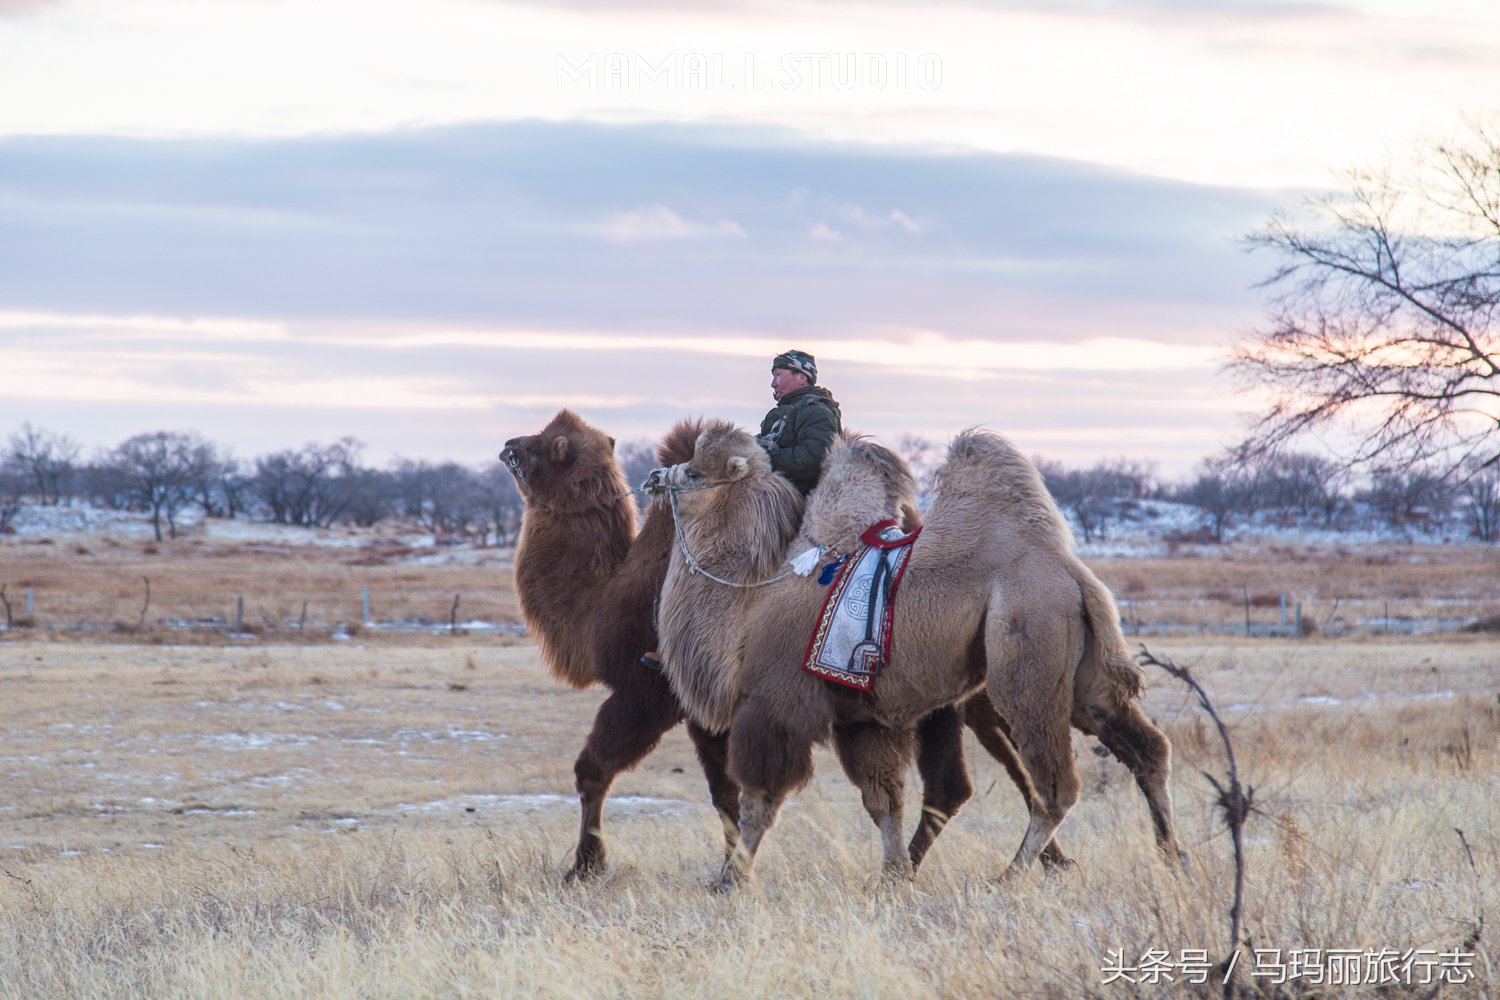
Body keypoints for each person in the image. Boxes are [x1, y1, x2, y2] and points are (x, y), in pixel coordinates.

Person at [757, 349, 842, 495]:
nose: (773, 384)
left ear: (802, 377)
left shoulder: (817, 411)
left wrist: (763, 457)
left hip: (799, 501)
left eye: (778, 375)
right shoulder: (783, 411)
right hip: (772, 492)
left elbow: (815, 457)